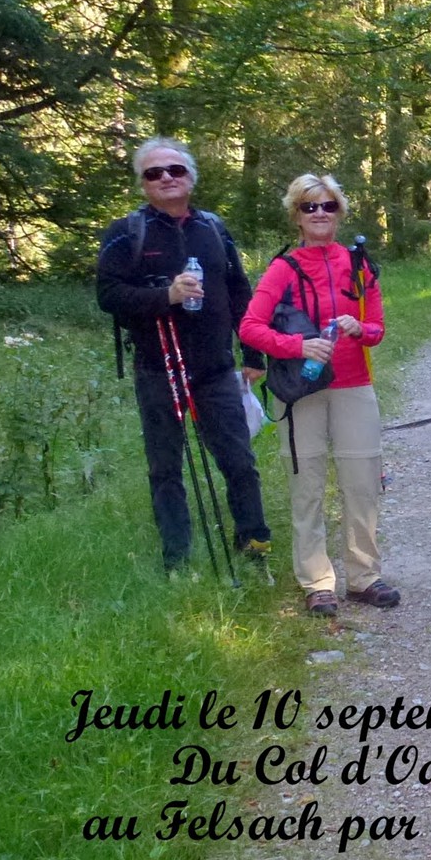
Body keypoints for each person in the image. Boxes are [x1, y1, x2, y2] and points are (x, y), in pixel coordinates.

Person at [96, 137, 271, 573]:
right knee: (166, 468)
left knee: (239, 461)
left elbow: (238, 291)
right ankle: (177, 559)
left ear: (191, 177)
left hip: (215, 367)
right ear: (143, 184)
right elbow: (109, 294)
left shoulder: (212, 227)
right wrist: (166, 296)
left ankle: (254, 548)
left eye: (175, 170)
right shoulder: (125, 233)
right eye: (154, 173)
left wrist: (252, 352)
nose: (167, 178)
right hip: (158, 367)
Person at [239, 175, 398, 617]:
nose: (320, 214)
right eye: (310, 207)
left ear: (340, 211)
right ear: (296, 214)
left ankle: (364, 577)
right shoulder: (282, 269)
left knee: (362, 484)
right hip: (301, 389)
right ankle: (316, 581)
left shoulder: (360, 264)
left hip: (354, 385)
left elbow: (378, 329)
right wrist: (298, 346)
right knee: (306, 485)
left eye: (328, 206)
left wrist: (358, 328)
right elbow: (250, 327)